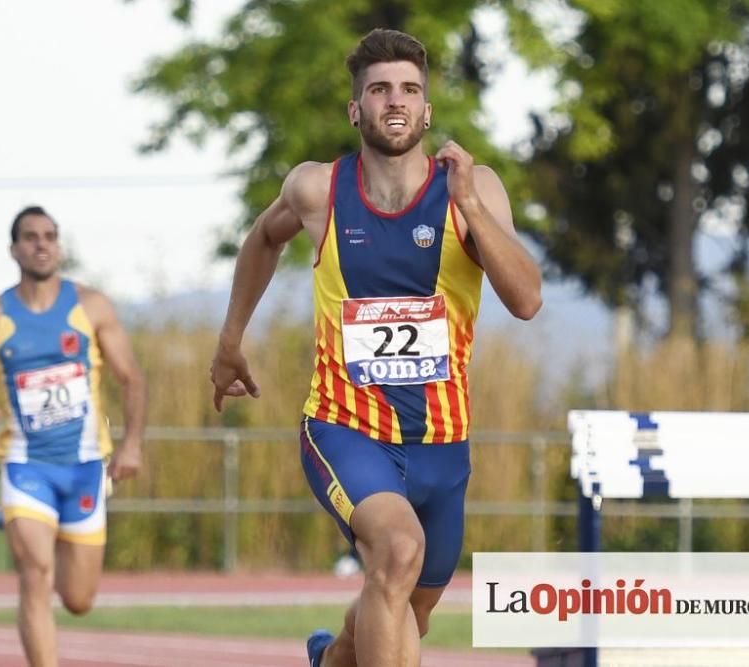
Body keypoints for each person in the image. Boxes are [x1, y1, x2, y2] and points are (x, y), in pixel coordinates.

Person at [210, 28, 542, 667]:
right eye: (380, 89)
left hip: (443, 447)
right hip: (345, 430)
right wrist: (230, 342)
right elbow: (261, 240)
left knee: (404, 608)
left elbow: (526, 301)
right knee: (395, 553)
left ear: (427, 109)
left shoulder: (477, 188)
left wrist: (470, 201)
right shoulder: (317, 189)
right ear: (355, 109)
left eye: (410, 90)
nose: (396, 100)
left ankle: (328, 659)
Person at [0, 206, 146, 667]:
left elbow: (131, 379)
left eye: (50, 236)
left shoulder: (90, 306)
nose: (42, 243)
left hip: (84, 468)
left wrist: (132, 443)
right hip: (26, 465)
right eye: (31, 236)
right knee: (35, 574)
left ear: (59, 245)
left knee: (79, 599)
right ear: (14, 249)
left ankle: (60, 536)